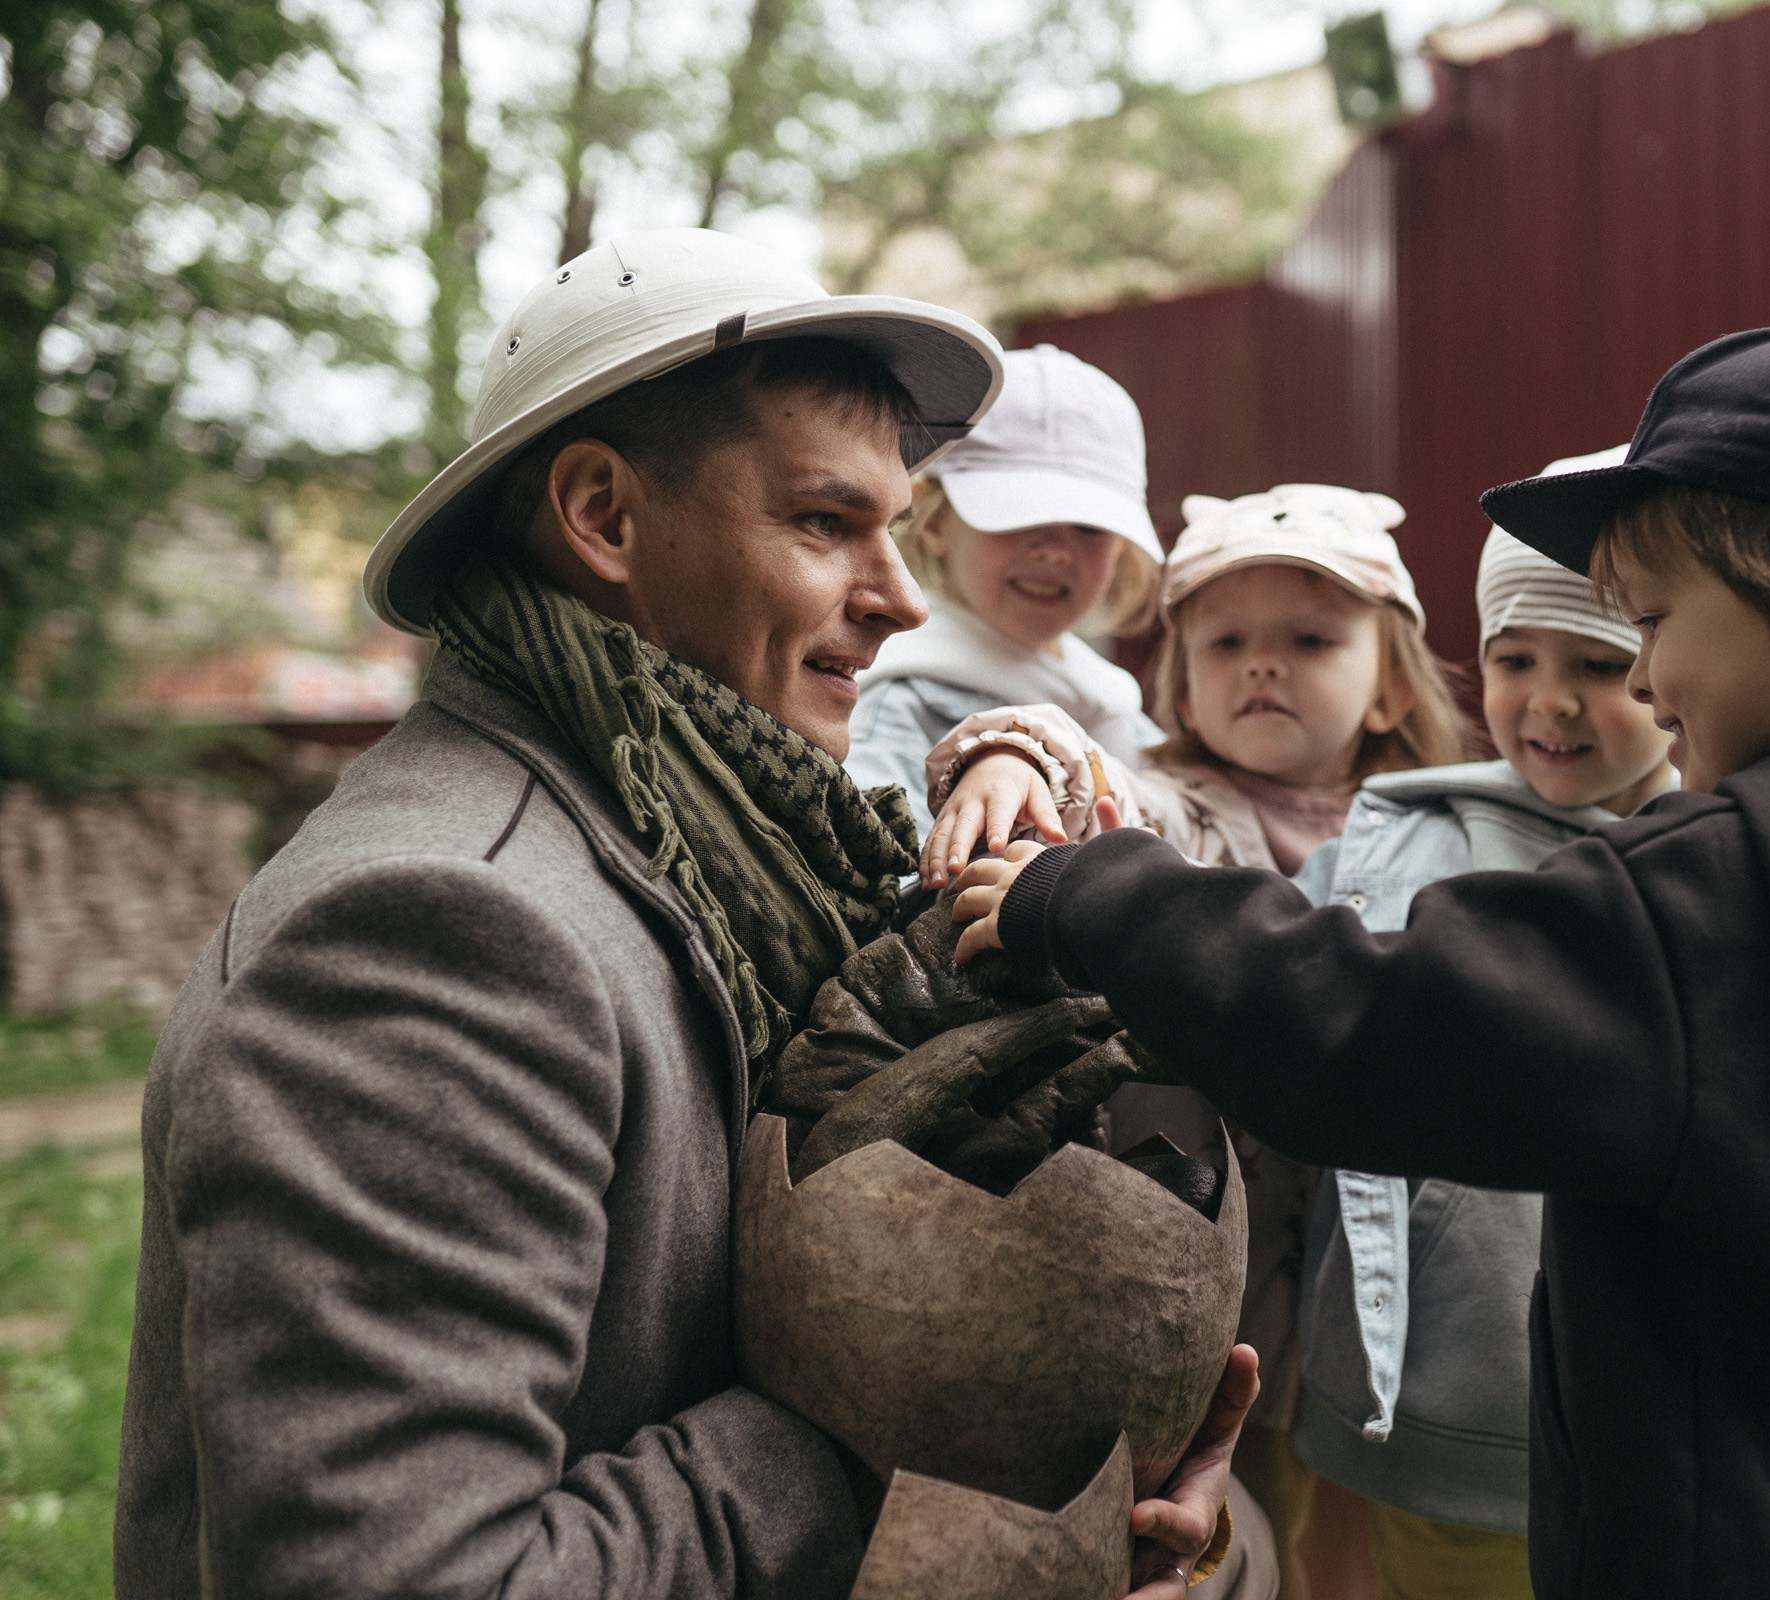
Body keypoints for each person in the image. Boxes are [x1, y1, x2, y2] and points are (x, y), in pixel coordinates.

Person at [113, 227, 1259, 1600]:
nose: (899, 600)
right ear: (603, 516)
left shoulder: (741, 852)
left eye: (896, 527)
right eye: (828, 522)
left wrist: (1075, 1504)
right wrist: (913, 1438)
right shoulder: (428, 933)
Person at [947, 327, 1770, 1598]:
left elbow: (1371, 1026)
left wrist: (1092, 894)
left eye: (1653, 626)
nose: (1658, 682)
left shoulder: (1721, 886)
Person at [920, 482, 1468, 1600]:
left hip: (1379, 1284)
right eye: (1226, 642)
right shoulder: (1175, 808)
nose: (1261, 665)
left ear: (1388, 688)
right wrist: (1016, 759)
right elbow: (1091, 779)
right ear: (1178, 679)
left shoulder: (1432, 828)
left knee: (1352, 1529)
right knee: (1208, 1487)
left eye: (1310, 640)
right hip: (1204, 1246)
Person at [1288, 461, 1673, 1600]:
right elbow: (1273, 976)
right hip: (1450, 1390)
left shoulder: (1712, 856)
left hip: (1652, 1397)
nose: (1547, 703)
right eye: (1514, 659)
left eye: (1599, 665)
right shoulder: (1402, 843)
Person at [844, 342, 1165, 834]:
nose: (1055, 550)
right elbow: (893, 886)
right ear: (934, 521)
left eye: (1088, 527)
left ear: (1121, 544)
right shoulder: (893, 710)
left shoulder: (1113, 706)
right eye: (1022, 516)